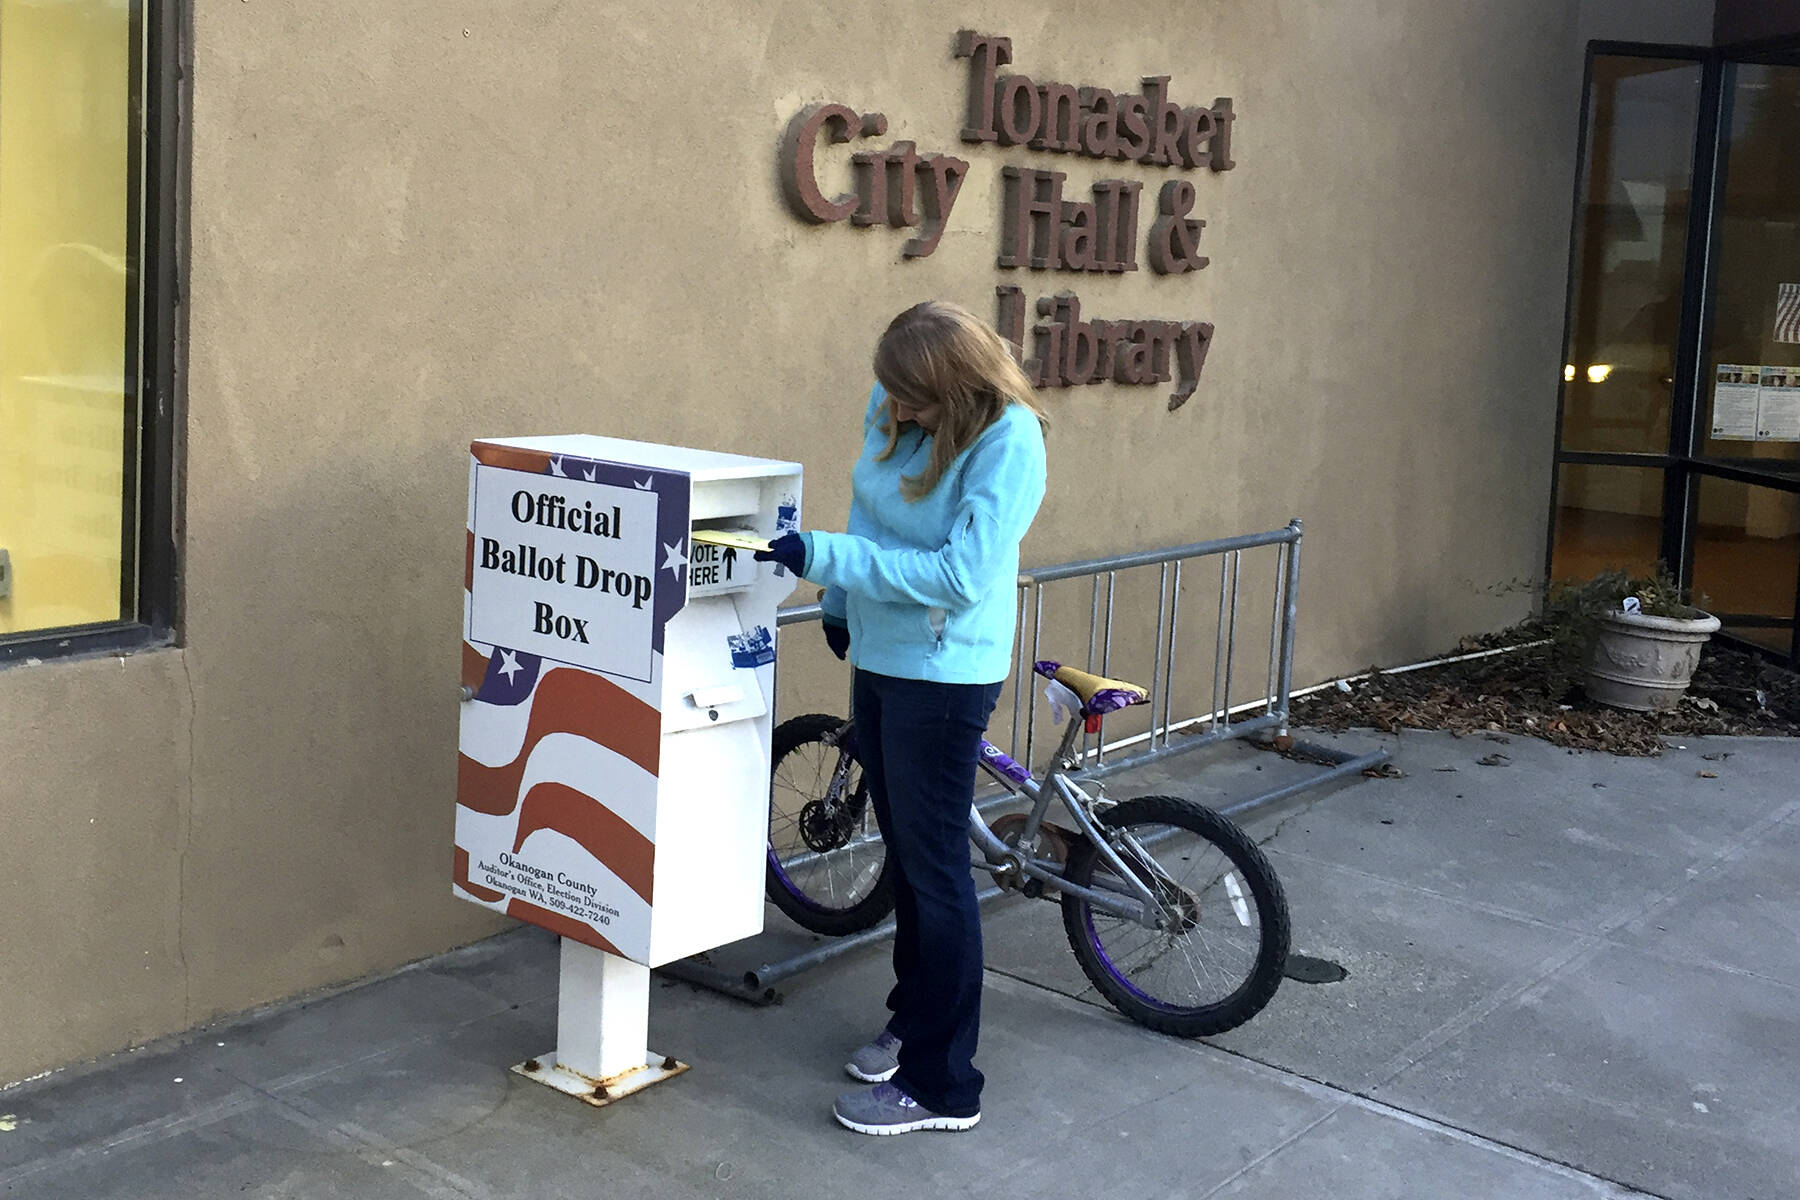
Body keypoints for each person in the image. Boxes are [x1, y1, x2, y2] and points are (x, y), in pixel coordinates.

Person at [755, 300, 1048, 1135]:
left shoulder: (1008, 441)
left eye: (911, 400)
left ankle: (942, 1084)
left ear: (953, 388)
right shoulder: (898, 405)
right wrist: (840, 600)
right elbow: (871, 512)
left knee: (937, 873)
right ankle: (912, 1019)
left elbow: (960, 576)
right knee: (912, 865)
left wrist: (825, 560)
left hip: (944, 675)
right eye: (889, 395)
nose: (894, 411)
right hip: (886, 660)